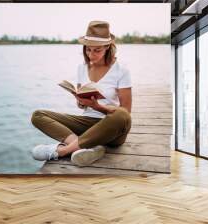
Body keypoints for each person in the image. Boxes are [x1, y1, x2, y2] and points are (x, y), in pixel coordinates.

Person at [30, 20, 132, 166]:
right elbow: (82, 107)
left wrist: (98, 107)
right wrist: (81, 101)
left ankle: (62, 151)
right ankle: (86, 146)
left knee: (121, 115)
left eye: (97, 50)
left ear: (108, 47)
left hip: (111, 127)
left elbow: (126, 111)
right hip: (87, 124)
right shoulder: (82, 68)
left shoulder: (121, 70)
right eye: (88, 49)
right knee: (38, 115)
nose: (91, 54)